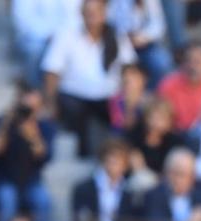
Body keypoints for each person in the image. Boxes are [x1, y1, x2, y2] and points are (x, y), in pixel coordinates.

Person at [43, 0, 134, 154]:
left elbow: (130, 71)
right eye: (89, 12)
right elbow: (52, 71)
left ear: (104, 13)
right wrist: (50, 103)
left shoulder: (117, 36)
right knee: (74, 111)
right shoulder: (66, 34)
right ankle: (83, 152)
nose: (93, 16)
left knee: (124, 116)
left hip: (108, 96)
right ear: (81, 13)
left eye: (97, 12)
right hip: (74, 95)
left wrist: (130, 106)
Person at [0, 85, 57, 221]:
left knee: (43, 201)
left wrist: (34, 136)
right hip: (4, 180)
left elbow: (46, 157)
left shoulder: (45, 126)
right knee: (8, 203)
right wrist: (7, 122)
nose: (28, 111)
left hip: (31, 182)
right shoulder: (2, 122)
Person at [157, 42, 201, 133]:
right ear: (183, 63)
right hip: (177, 135)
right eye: (189, 61)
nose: (193, 66)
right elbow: (161, 118)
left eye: (198, 62)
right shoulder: (168, 85)